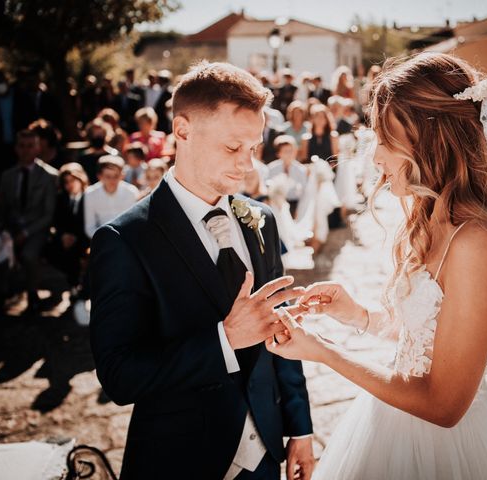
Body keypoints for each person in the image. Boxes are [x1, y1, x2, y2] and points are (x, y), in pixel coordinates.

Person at [266, 53, 487, 479]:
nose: (374, 156)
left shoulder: (479, 242)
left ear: (428, 136)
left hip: (444, 446)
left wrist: (323, 352)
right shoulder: (433, 216)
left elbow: (443, 405)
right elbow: (429, 334)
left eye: (383, 138)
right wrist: (356, 315)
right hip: (389, 421)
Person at [89, 60, 314, 480]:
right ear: (182, 131)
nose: (247, 165)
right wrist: (224, 341)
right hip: (180, 460)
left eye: (253, 148)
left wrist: (300, 427)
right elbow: (119, 376)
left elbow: (278, 327)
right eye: (233, 148)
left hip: (266, 452)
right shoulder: (124, 241)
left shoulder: (261, 220)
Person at [0, 129, 58, 315]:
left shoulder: (49, 176)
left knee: (29, 254)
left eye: (30, 146)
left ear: (38, 148)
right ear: (16, 148)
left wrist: (25, 233)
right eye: (22, 146)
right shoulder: (7, 176)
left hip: (36, 229)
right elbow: (3, 207)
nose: (26, 150)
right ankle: (2, 293)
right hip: (10, 227)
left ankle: (32, 294)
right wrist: (4, 230)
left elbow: (48, 214)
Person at [50, 163, 89, 289]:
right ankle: (73, 285)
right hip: (66, 238)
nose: (69, 185)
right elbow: (56, 222)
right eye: (66, 182)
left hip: (85, 237)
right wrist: (63, 235)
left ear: (81, 179)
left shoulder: (90, 196)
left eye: (73, 180)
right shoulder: (61, 198)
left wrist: (76, 237)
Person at [83, 155, 138, 240]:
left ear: (122, 175)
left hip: (127, 240)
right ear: (99, 176)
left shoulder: (131, 192)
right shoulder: (90, 193)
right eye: (108, 176)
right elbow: (90, 227)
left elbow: (135, 222)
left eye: (116, 176)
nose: (112, 180)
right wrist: (105, 239)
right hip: (101, 241)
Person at [267, 135, 308, 216]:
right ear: (279, 153)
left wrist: (299, 210)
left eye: (291, 151)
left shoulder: (301, 169)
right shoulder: (271, 168)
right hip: (275, 204)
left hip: (295, 204)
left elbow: (304, 192)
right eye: (286, 151)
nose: (289, 154)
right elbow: (267, 187)